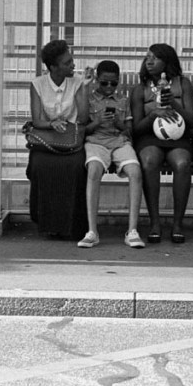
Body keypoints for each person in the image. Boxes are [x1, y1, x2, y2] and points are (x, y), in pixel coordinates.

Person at [129, 44, 193, 244]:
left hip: (179, 136)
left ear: (167, 62)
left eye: (155, 58)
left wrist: (174, 104)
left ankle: (177, 224)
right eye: (147, 57)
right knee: (150, 161)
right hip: (149, 137)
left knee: (182, 163)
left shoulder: (183, 84)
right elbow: (136, 128)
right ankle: (155, 223)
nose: (149, 62)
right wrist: (153, 115)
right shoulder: (140, 89)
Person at [78, 60, 146, 249]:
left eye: (113, 83)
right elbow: (83, 130)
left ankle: (132, 230)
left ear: (119, 82)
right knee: (93, 170)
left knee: (135, 171)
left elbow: (129, 131)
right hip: (96, 142)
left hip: (119, 141)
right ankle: (92, 230)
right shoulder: (89, 99)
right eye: (104, 83)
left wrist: (119, 123)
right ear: (97, 80)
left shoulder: (123, 101)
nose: (109, 87)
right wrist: (98, 121)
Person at [28, 39, 90, 239]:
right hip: (48, 138)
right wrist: (51, 123)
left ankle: (72, 226)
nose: (72, 65)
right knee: (38, 165)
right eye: (67, 63)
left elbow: (83, 118)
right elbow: (37, 120)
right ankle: (47, 223)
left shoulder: (78, 82)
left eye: (71, 60)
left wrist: (85, 89)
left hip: (71, 139)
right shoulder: (37, 84)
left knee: (77, 167)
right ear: (53, 67)